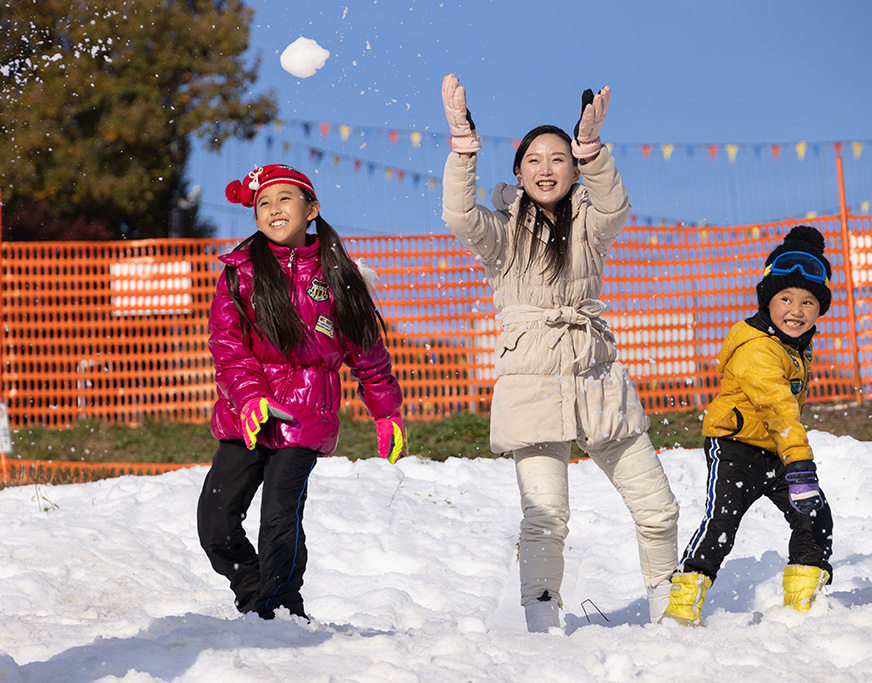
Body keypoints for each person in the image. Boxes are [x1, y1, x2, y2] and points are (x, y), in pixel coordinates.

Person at [440, 74, 679, 632]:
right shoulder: (501, 234)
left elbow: (615, 207)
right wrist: (463, 148)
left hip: (598, 382)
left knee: (657, 507)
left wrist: (592, 150)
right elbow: (459, 216)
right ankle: (542, 625)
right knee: (545, 517)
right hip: (531, 385)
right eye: (533, 161)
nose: (546, 169)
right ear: (518, 173)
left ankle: (670, 611)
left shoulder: (591, 225)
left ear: (573, 170)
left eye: (559, 159)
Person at [197, 163, 405, 620]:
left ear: (311, 209)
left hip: (305, 415)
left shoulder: (339, 276)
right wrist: (251, 398)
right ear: (255, 217)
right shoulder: (239, 274)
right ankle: (255, 593)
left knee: (279, 518)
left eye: (284, 198)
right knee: (216, 521)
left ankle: (281, 609)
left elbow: (368, 353)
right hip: (246, 417)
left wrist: (386, 412)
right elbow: (227, 346)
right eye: (264, 203)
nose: (274, 209)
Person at [661, 224, 835, 627]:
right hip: (735, 448)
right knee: (721, 524)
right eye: (786, 298)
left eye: (808, 302)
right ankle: (681, 608)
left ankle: (802, 604)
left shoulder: (794, 345)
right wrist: (800, 465)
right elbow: (778, 407)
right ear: (766, 301)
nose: (796, 310)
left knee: (813, 517)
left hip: (775, 450)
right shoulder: (758, 348)